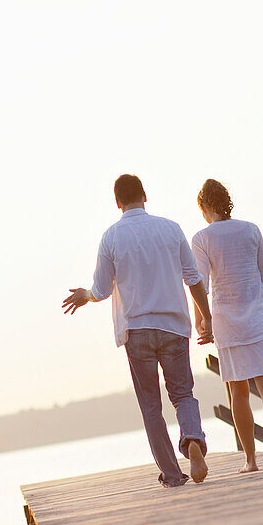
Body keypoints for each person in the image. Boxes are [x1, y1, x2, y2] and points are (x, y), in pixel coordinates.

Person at [63, 174, 213, 488]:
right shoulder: (171, 229)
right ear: (145, 195)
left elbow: (101, 290)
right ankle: (193, 439)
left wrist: (85, 296)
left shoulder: (111, 237)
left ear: (117, 202)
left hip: (138, 330)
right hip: (173, 326)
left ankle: (172, 474)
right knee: (183, 393)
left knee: (151, 406)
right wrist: (206, 318)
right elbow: (194, 278)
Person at [192, 178, 263, 473]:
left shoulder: (202, 238)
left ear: (206, 207)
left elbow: (200, 282)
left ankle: (251, 459)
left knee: (238, 392)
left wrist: (202, 320)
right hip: (259, 314)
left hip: (227, 320)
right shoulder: (251, 229)